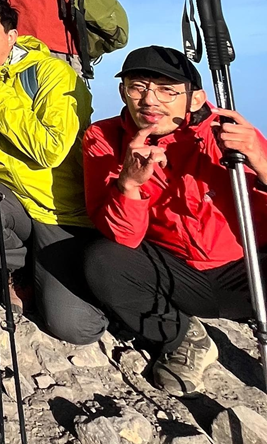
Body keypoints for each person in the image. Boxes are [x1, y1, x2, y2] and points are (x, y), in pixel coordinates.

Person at [82, 46, 267, 396]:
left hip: (248, 268)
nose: (150, 100)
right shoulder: (103, 139)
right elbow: (123, 239)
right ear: (123, 91)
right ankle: (184, 338)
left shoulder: (230, 135)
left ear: (195, 98)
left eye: (168, 90)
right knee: (103, 260)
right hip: (177, 273)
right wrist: (129, 185)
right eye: (137, 87)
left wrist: (259, 157)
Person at [0, 0, 107, 345]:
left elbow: (51, 150)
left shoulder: (51, 73)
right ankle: (22, 269)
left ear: (12, 35)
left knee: (75, 327)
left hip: (61, 213)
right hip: (8, 204)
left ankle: (94, 287)